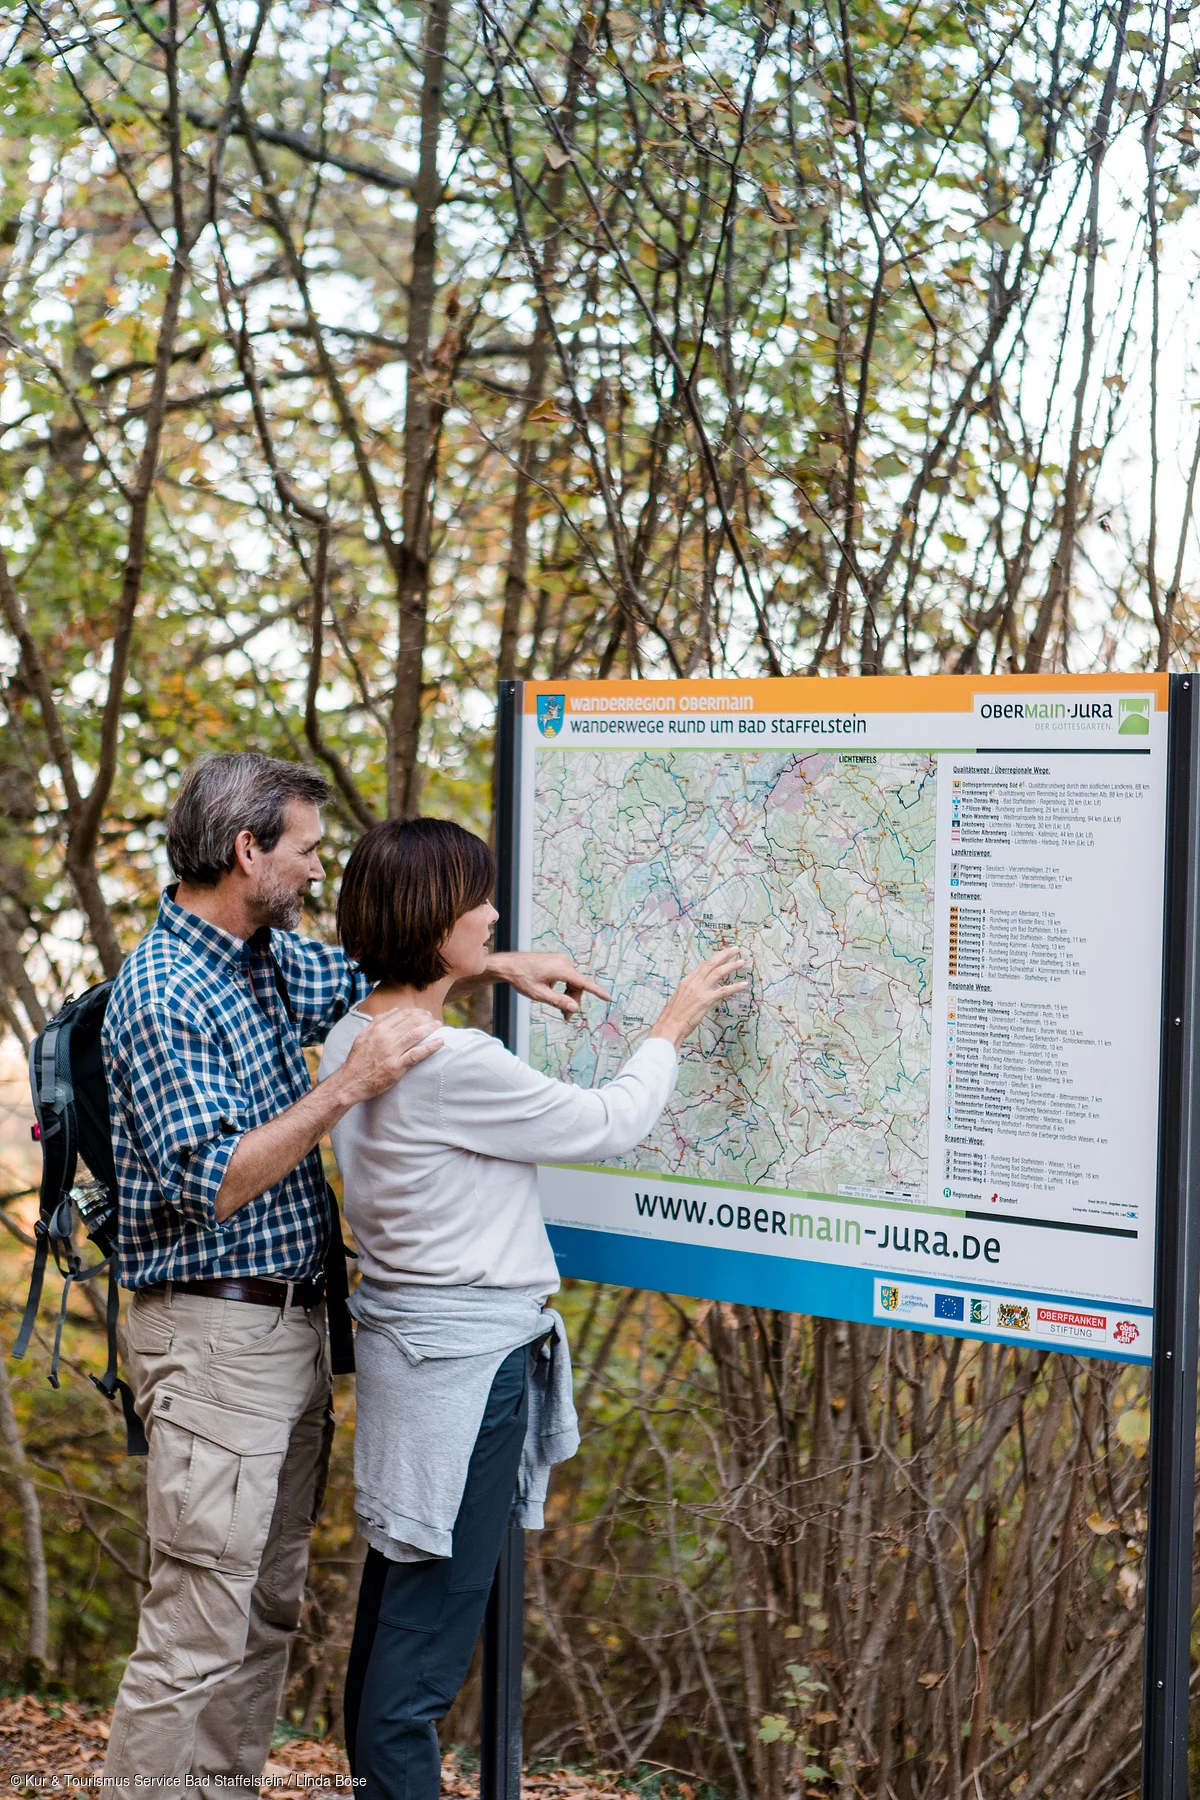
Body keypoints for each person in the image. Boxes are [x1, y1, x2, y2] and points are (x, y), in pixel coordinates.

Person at [101, 753, 604, 1800]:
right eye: (307, 850)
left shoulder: (266, 959)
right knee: (197, 1625)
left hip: (288, 1336)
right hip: (210, 1339)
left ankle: (219, 1791)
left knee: (262, 1610)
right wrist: (350, 1087)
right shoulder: (161, 991)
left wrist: (493, 962)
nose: (318, 872)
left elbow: (387, 974)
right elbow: (211, 1182)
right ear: (250, 852)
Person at [318, 816, 747, 1800]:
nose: (497, 913)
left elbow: (422, 987)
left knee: (397, 1613)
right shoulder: (451, 1064)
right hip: (467, 1377)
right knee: (420, 1664)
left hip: (413, 1362)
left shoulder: (363, 1034)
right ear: (438, 920)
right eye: (481, 901)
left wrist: (488, 968)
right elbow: (609, 1121)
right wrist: (671, 1023)